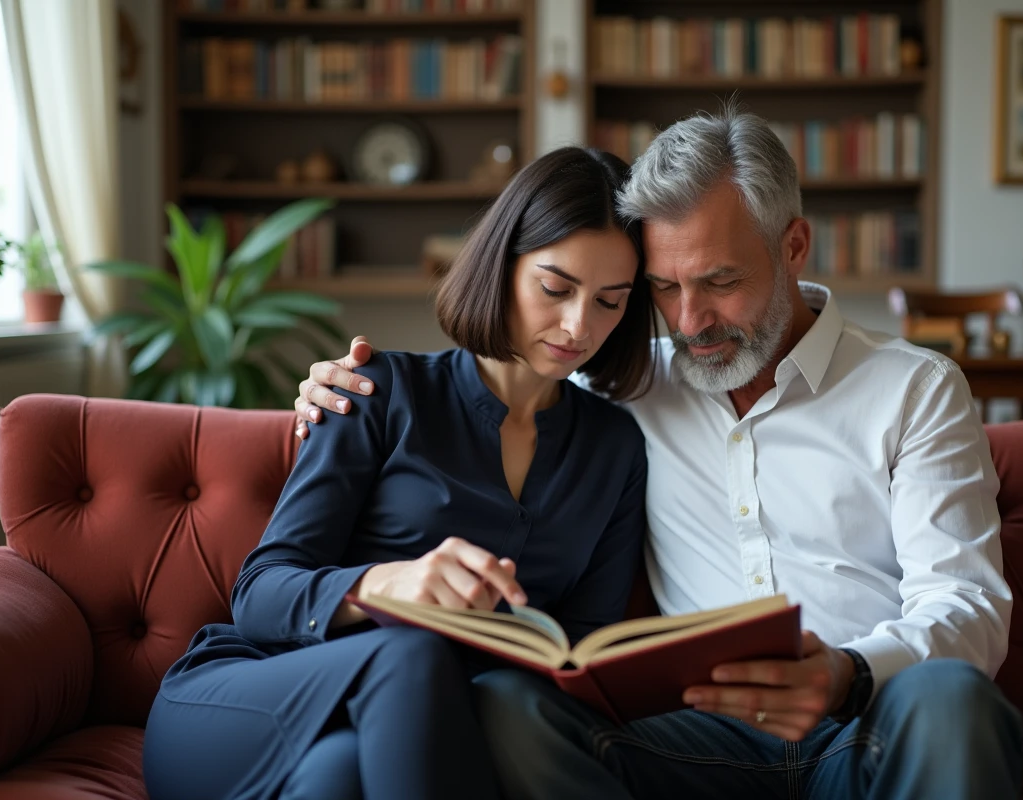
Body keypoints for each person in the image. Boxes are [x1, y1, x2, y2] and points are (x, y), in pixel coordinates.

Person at [293, 108, 1023, 799]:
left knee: (955, 699)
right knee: (508, 708)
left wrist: (846, 673)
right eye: (663, 288)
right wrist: (338, 388)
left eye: (720, 281)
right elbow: (501, 371)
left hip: (868, 726)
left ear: (794, 245)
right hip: (694, 745)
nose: (690, 320)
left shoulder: (915, 388)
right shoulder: (621, 382)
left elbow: (966, 604)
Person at [141, 146, 656, 800]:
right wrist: (390, 585)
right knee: (413, 652)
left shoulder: (614, 449)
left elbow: (582, 656)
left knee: (335, 779)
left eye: (610, 302)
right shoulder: (379, 390)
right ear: (502, 269)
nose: (579, 325)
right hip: (249, 704)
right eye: (555, 288)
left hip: (403, 736)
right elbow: (261, 596)